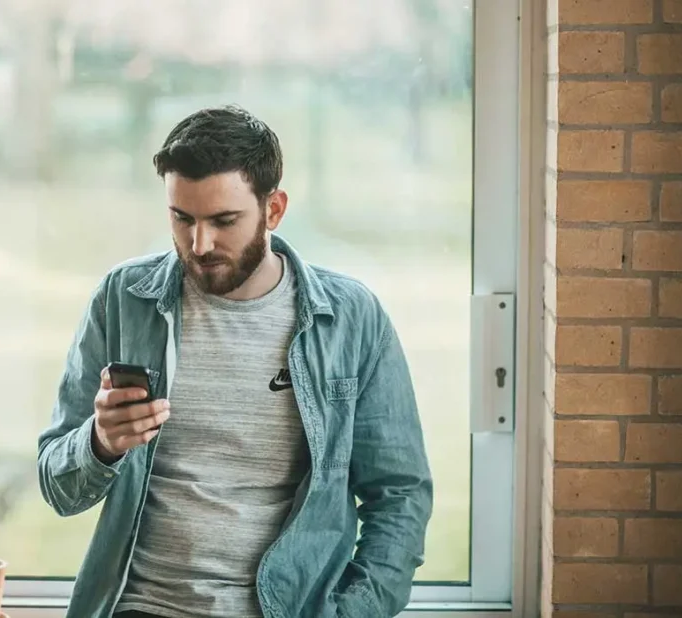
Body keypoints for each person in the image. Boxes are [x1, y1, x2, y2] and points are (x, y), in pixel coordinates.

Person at [37, 105, 433, 618]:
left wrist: (354, 612)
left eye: (224, 221)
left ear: (273, 210)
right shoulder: (122, 299)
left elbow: (400, 496)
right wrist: (102, 442)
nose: (200, 244)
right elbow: (57, 487)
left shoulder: (351, 318)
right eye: (182, 218)